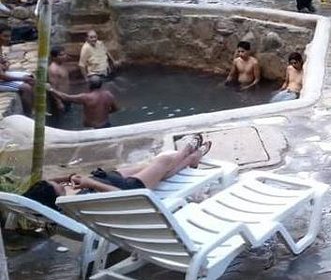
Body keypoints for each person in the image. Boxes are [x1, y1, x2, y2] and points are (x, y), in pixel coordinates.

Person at [21, 134, 211, 210]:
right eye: (60, 187)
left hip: (111, 177)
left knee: (159, 168)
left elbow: (51, 182)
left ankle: (190, 159)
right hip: (127, 188)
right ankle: (187, 153)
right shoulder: (73, 204)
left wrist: (68, 178)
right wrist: (90, 183)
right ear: (54, 196)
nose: (63, 185)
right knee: (164, 161)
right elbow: (122, 196)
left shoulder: (60, 200)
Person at [49, 76, 118, 128]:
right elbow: (116, 109)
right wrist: (104, 112)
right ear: (101, 85)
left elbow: (65, 97)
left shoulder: (86, 97)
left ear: (89, 85)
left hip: (91, 127)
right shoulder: (109, 95)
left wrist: (51, 89)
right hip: (105, 125)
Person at [48, 46, 71, 115]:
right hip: (60, 99)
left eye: (65, 54)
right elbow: (52, 88)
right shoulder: (53, 70)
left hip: (66, 96)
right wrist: (59, 102)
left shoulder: (61, 63)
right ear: (54, 57)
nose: (65, 56)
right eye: (61, 55)